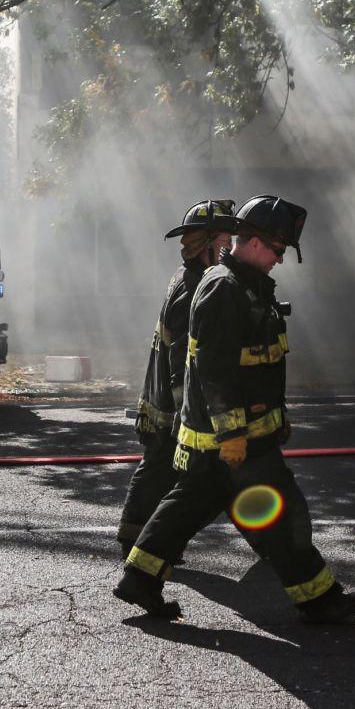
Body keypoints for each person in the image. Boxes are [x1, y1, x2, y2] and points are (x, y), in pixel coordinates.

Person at [114, 194, 355, 625]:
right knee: (282, 510)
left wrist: (278, 417)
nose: (280, 260)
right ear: (252, 242)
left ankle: (140, 578)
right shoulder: (223, 287)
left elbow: (259, 366)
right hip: (234, 440)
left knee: (185, 508)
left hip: (225, 440)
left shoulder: (242, 285)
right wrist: (232, 432)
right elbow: (213, 368)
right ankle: (319, 599)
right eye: (278, 250)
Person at [116, 198, 239, 555]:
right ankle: (139, 547)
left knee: (165, 474)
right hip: (171, 410)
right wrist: (189, 415)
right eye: (225, 243)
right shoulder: (195, 290)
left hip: (163, 407)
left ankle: (140, 544)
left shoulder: (189, 279)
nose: (231, 250)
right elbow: (184, 361)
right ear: (205, 247)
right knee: (169, 474)